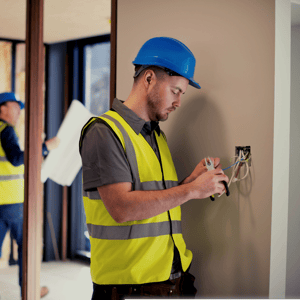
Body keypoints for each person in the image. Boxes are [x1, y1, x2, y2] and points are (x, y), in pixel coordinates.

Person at [79, 37, 229, 300]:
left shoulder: (156, 136)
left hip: (171, 281)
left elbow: (154, 201)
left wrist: (189, 182)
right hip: (128, 288)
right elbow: (122, 208)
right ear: (149, 78)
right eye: (175, 91)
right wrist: (191, 191)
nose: (178, 102)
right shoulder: (104, 133)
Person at [0, 92, 60, 298]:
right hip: (11, 202)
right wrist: (44, 147)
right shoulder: (6, 131)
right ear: (2, 109)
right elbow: (16, 159)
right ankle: (30, 289)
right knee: (27, 247)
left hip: (4, 202)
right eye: (15, 106)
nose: (19, 111)